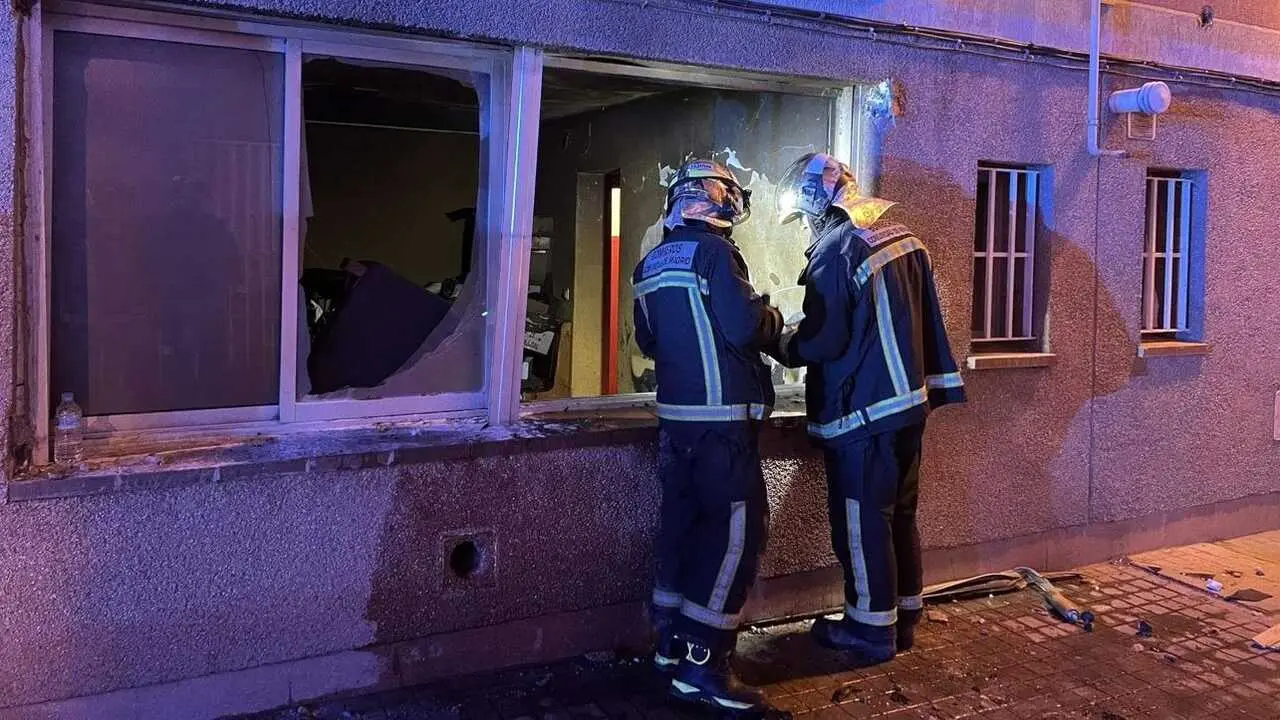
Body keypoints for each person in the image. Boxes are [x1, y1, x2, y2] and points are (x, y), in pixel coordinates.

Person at [772, 152, 966, 666]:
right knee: (899, 515)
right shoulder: (903, 237)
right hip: (909, 407)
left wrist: (782, 342)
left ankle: (867, 632)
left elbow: (825, 339)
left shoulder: (835, 251)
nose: (805, 224)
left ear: (817, 200)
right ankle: (904, 619)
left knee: (861, 523)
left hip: (864, 413)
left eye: (803, 213)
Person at [633, 159, 782, 712]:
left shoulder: (650, 263)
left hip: (677, 428)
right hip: (723, 429)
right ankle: (706, 663)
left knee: (684, 530)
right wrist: (772, 320)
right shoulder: (718, 255)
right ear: (722, 203)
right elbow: (744, 327)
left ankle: (670, 648)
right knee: (733, 538)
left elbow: (647, 342)